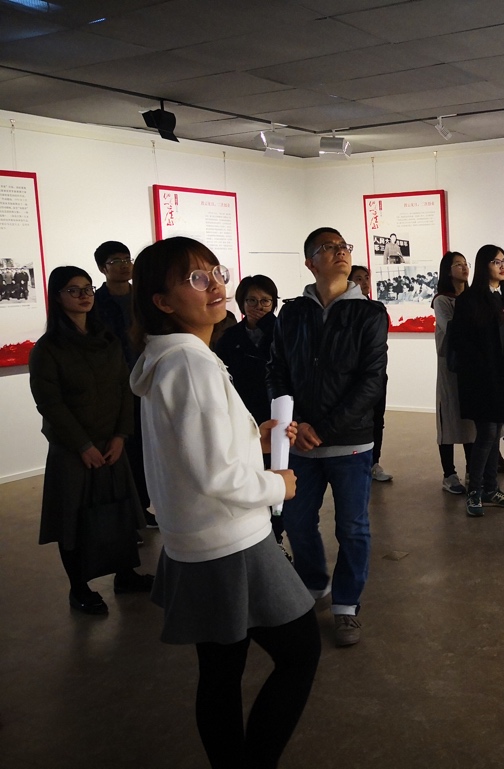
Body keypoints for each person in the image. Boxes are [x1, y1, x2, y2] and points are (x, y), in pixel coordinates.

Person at [130, 237, 319, 769]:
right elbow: (216, 474)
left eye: (216, 272)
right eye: (196, 278)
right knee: (300, 653)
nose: (215, 285)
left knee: (220, 670)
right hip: (231, 541)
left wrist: (254, 437)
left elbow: (192, 454)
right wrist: (278, 486)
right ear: (162, 301)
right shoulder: (191, 365)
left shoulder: (166, 359)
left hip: (195, 541)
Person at [268, 227, 388, 647]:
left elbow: (371, 380)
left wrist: (323, 429)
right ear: (310, 262)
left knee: (353, 527)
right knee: (297, 522)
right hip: (300, 442)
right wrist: (296, 422)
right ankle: (315, 584)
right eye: (329, 248)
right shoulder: (293, 313)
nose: (340, 252)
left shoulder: (369, 314)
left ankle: (347, 605)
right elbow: (277, 370)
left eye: (343, 247)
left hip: (351, 442)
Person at [30, 266, 152, 616]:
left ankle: (125, 575)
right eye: (74, 290)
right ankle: (79, 588)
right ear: (57, 297)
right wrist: (82, 445)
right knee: (73, 520)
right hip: (73, 449)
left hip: (111, 443)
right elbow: (50, 404)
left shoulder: (107, 339)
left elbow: (124, 389)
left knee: (120, 512)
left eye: (87, 289)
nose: (84, 296)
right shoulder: (48, 348)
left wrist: (121, 435)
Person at [214, 274, 290, 555]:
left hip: (276, 415)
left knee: (276, 475)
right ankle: (254, 537)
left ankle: (276, 538)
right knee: (249, 476)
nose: (259, 307)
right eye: (252, 301)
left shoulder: (282, 332)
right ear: (242, 303)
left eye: (266, 301)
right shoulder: (230, 337)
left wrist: (271, 326)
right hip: (243, 418)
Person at [449, 245, 504, 517]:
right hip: (480, 380)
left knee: (496, 433)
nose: (502, 266)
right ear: (484, 265)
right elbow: (462, 344)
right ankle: (476, 490)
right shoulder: (469, 300)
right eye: (496, 261)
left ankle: (490, 488)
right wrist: (485, 371)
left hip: (502, 380)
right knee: (487, 434)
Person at [91, 241, 154, 527]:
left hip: (147, 380)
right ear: (102, 268)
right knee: (123, 449)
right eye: (115, 261)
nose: (124, 265)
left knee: (146, 447)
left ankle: (146, 506)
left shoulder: (142, 298)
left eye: (127, 259)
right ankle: (131, 512)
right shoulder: (96, 303)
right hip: (114, 386)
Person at [431, 251, 475, 494]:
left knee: (469, 420)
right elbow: (451, 328)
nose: (464, 268)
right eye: (458, 264)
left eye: (465, 264)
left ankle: (471, 470)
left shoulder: (471, 297)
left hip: (470, 365)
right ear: (447, 271)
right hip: (450, 365)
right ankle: (449, 474)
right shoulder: (442, 300)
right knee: (448, 419)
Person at [349, 265, 392, 483]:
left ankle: (374, 462)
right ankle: (357, 461)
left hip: (376, 373)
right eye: (359, 278)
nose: (365, 282)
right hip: (353, 375)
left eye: (366, 277)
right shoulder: (345, 310)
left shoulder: (376, 308)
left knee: (377, 418)